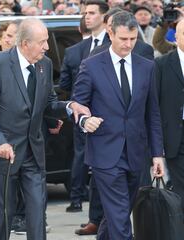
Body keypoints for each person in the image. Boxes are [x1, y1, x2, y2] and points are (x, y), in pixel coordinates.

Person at [0, 18, 90, 240]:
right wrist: (0, 142)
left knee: (37, 214)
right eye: (42, 41)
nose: (47, 47)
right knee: (0, 219)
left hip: (32, 154)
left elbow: (48, 104)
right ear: (25, 43)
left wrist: (69, 106)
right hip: (0, 156)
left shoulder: (44, 64)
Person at [72, 11, 165, 240]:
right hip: (105, 152)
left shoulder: (147, 66)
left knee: (118, 213)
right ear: (110, 33)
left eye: (133, 39)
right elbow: (77, 104)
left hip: (136, 153)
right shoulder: (91, 65)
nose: (128, 44)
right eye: (123, 39)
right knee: (120, 215)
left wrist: (157, 154)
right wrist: (85, 120)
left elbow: (152, 113)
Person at [59, 0, 109, 215]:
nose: (87, 16)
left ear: (104, 17)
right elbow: (65, 86)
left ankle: (99, 211)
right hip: (83, 114)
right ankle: (77, 198)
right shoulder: (75, 51)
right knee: (81, 155)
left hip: (109, 115)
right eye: (85, 13)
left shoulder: (118, 42)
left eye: (91, 13)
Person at [155, 18, 184, 213]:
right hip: (175, 139)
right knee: (180, 192)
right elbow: (155, 106)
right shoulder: (162, 64)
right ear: (177, 37)